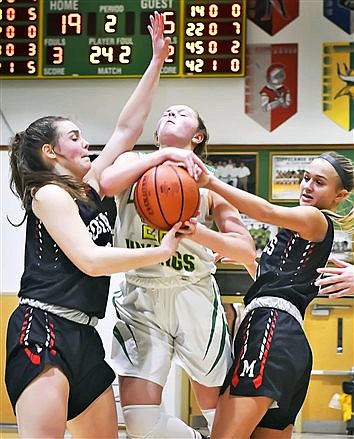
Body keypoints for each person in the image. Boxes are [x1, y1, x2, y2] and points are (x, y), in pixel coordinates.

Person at [4, 13, 203, 439]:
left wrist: (157, 62)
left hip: (85, 332)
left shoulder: (91, 186)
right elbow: (92, 261)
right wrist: (162, 250)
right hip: (43, 327)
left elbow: (127, 129)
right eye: (74, 137)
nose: (87, 143)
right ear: (51, 152)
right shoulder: (48, 194)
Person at [100, 105, 257, 438]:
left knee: (221, 417)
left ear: (198, 135)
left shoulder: (209, 184)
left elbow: (244, 249)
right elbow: (108, 183)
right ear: (156, 134)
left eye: (182, 113)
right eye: (166, 112)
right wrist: (166, 155)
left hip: (193, 293)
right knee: (141, 425)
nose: (170, 113)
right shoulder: (131, 163)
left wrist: (197, 232)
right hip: (140, 294)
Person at [196, 151, 353, 439]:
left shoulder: (312, 217)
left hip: (269, 329)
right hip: (288, 339)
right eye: (306, 177)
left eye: (319, 182)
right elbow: (279, 285)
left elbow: (265, 211)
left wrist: (210, 182)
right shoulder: (304, 231)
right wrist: (249, 263)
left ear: (338, 196)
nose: (307, 186)